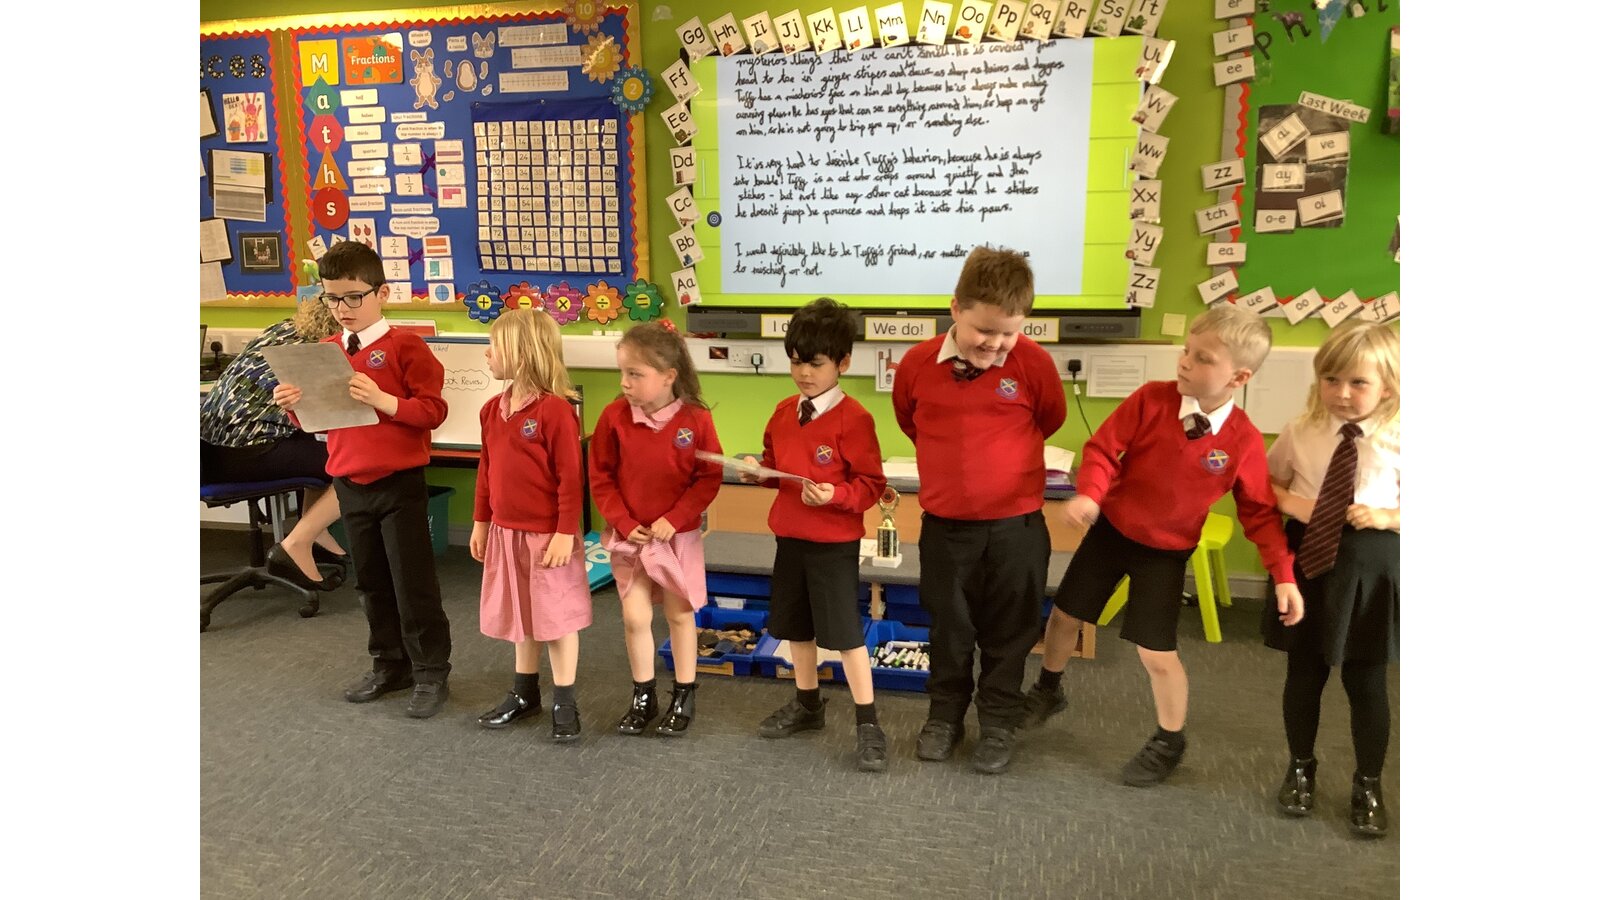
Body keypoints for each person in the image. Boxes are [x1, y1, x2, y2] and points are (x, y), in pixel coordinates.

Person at [1020, 303, 1305, 787]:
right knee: (1065, 617)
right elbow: (1103, 449)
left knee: (1156, 653)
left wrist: (1282, 575)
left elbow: (1259, 513)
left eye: (1202, 358)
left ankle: (1170, 739)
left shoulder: (1243, 441)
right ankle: (1049, 689)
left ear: (1239, 378)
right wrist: (1090, 493)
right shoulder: (1151, 399)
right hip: (1112, 532)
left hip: (1166, 554)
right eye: (1186, 351)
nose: (1185, 362)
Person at [890, 246, 1068, 775]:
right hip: (947, 530)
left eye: (1008, 333)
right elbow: (910, 421)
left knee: (1010, 631)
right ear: (955, 309)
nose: (994, 343)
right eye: (983, 330)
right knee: (949, 629)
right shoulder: (916, 365)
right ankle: (944, 716)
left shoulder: (1033, 364)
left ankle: (998, 721)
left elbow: (1050, 418)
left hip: (1016, 529)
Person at [270, 240, 453, 718]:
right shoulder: (326, 352)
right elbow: (319, 422)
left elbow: (433, 411)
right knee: (370, 581)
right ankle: (389, 665)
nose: (343, 308)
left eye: (354, 296)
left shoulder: (406, 346)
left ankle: (430, 671)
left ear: (381, 293)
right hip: (350, 482)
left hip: (399, 482)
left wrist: (383, 400)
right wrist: (294, 408)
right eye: (332, 298)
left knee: (412, 583)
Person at [1261, 320, 1399, 837]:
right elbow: (1267, 485)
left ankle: (1369, 782)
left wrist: (1387, 516)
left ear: (1387, 386)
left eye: (1358, 383)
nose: (1342, 393)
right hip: (1309, 564)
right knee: (1304, 672)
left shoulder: (1402, 437)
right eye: (1331, 379)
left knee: (1366, 682)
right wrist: (1298, 505)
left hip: (1370, 566)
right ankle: (1300, 766)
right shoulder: (1302, 430)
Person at [740, 298, 890, 772]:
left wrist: (836, 496)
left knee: (845, 635)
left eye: (816, 363)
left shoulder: (855, 419)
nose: (804, 372)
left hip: (833, 545)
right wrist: (757, 472)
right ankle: (808, 705)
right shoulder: (784, 411)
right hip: (790, 539)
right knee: (796, 628)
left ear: (842, 363)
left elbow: (871, 485)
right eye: (796, 361)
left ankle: (868, 723)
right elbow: (775, 465)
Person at [588, 322, 722, 737]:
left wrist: (675, 519)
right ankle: (643, 696)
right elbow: (601, 478)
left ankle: (684, 694)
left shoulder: (696, 419)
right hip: (631, 539)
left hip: (676, 539)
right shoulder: (613, 417)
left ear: (668, 376)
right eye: (622, 372)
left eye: (635, 374)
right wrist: (626, 523)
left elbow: (708, 478)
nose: (624, 383)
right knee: (634, 616)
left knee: (680, 615)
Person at [469, 309, 591, 741]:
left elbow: (571, 479)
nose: (487, 354)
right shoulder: (491, 411)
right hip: (506, 533)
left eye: (494, 346)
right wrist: (481, 522)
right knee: (521, 613)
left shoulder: (556, 411)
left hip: (547, 536)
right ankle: (525, 693)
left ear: (521, 355)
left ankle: (565, 701)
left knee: (555, 619)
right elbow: (486, 471)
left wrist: (563, 532)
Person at [201, 298, 348, 588]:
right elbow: (332, 411)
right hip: (248, 454)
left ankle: (314, 529)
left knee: (321, 445)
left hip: (212, 453)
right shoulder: (320, 351)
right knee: (357, 465)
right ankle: (298, 542)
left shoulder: (279, 331)